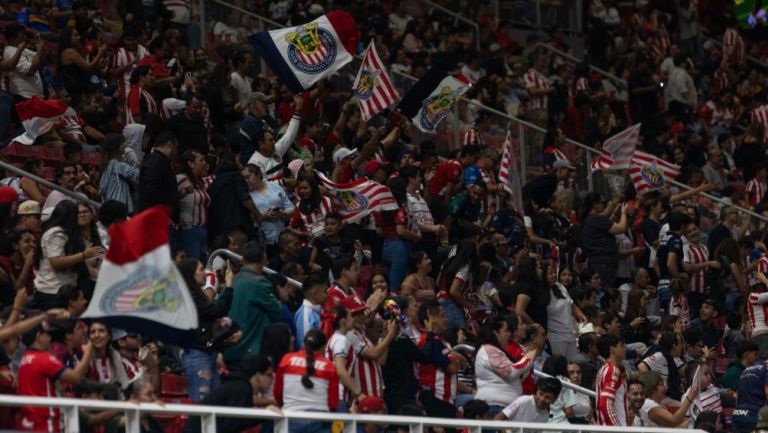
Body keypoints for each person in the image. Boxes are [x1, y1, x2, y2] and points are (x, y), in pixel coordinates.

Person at [17, 321, 94, 432]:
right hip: (45, 423)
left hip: (30, 422)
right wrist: (87, 352)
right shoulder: (43, 359)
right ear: (38, 336)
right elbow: (76, 378)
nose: (50, 339)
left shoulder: (24, 358)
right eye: (47, 335)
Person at [177, 258, 236, 401]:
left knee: (213, 403)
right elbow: (216, 310)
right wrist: (228, 286)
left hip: (208, 353)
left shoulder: (196, 296)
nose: (205, 273)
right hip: (197, 355)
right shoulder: (190, 297)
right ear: (191, 274)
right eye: (201, 269)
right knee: (202, 404)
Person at [33, 200, 103, 309]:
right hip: (52, 292)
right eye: (76, 214)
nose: (79, 217)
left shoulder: (69, 233)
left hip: (66, 289)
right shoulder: (56, 233)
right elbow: (56, 262)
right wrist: (83, 255)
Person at [223, 241, 283, 365]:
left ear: (243, 260)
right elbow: (277, 313)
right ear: (264, 259)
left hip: (229, 350)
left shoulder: (233, 280)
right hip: (250, 351)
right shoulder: (260, 284)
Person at [182, 354, 277, 433]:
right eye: (269, 375)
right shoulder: (241, 388)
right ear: (258, 376)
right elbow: (234, 425)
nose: (272, 380)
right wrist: (264, 414)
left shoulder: (236, 385)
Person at [275, 329, 339, 433]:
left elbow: (277, 393)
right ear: (323, 347)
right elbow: (333, 403)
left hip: (290, 418)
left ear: (304, 343)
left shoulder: (286, 360)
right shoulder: (329, 366)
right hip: (320, 420)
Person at [474, 315, 536, 416]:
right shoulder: (489, 349)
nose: (509, 334)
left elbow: (517, 376)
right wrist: (528, 358)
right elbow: (510, 372)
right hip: (494, 407)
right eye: (506, 331)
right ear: (495, 333)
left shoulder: (496, 351)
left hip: (504, 407)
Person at [416, 301, 466, 419]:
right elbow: (453, 367)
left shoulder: (440, 341)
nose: (446, 319)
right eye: (442, 315)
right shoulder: (429, 341)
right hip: (436, 400)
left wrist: (455, 358)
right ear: (431, 317)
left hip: (445, 401)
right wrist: (455, 359)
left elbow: (460, 364)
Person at [241, 164, 294, 256]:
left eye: (248, 177)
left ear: (258, 174)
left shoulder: (274, 186)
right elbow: (247, 219)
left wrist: (282, 214)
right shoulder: (247, 196)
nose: (246, 181)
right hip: (264, 240)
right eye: (244, 179)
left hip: (283, 236)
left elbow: (291, 207)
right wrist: (263, 216)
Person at [174, 150, 211, 261]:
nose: (204, 163)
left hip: (203, 230)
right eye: (201, 160)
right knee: (193, 266)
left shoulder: (199, 182)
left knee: (203, 265)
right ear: (191, 164)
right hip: (189, 231)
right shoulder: (181, 178)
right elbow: (170, 199)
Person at [138, 131, 180, 223]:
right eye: (176, 148)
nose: (176, 152)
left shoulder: (160, 161)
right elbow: (151, 188)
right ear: (170, 144)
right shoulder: (155, 160)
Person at [99, 133, 140, 213]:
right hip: (119, 207)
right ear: (115, 147)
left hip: (111, 206)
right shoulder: (118, 165)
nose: (125, 144)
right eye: (122, 143)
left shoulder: (107, 165)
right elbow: (139, 174)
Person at [493, 377, 562, 423]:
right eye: (540, 394)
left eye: (547, 397)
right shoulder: (523, 401)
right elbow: (498, 419)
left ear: (554, 399)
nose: (542, 399)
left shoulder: (545, 415)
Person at [595, 334, 627, 426]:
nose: (624, 349)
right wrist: (616, 428)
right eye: (621, 345)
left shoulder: (603, 369)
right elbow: (605, 403)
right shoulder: (612, 370)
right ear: (612, 349)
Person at [294, 276, 326, 349]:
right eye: (325, 291)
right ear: (315, 294)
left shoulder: (320, 310)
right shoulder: (305, 315)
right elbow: (306, 347)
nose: (327, 294)